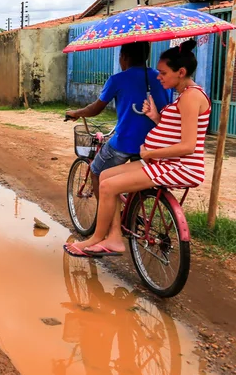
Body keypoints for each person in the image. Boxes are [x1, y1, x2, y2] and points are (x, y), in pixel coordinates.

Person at [65, 40, 210, 257]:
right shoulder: (183, 95)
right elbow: (176, 130)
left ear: (181, 72)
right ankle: (114, 237)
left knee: (106, 185)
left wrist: (150, 153)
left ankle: (98, 238)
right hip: (165, 162)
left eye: (162, 72)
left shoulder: (191, 97)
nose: (158, 76)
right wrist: (155, 117)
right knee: (105, 175)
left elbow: (188, 145)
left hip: (176, 166)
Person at [65, 42, 171, 203]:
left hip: (125, 143)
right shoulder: (162, 79)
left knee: (96, 172)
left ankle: (105, 216)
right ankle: (132, 213)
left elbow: (96, 108)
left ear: (124, 58)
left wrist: (77, 113)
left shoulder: (117, 80)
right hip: (155, 144)